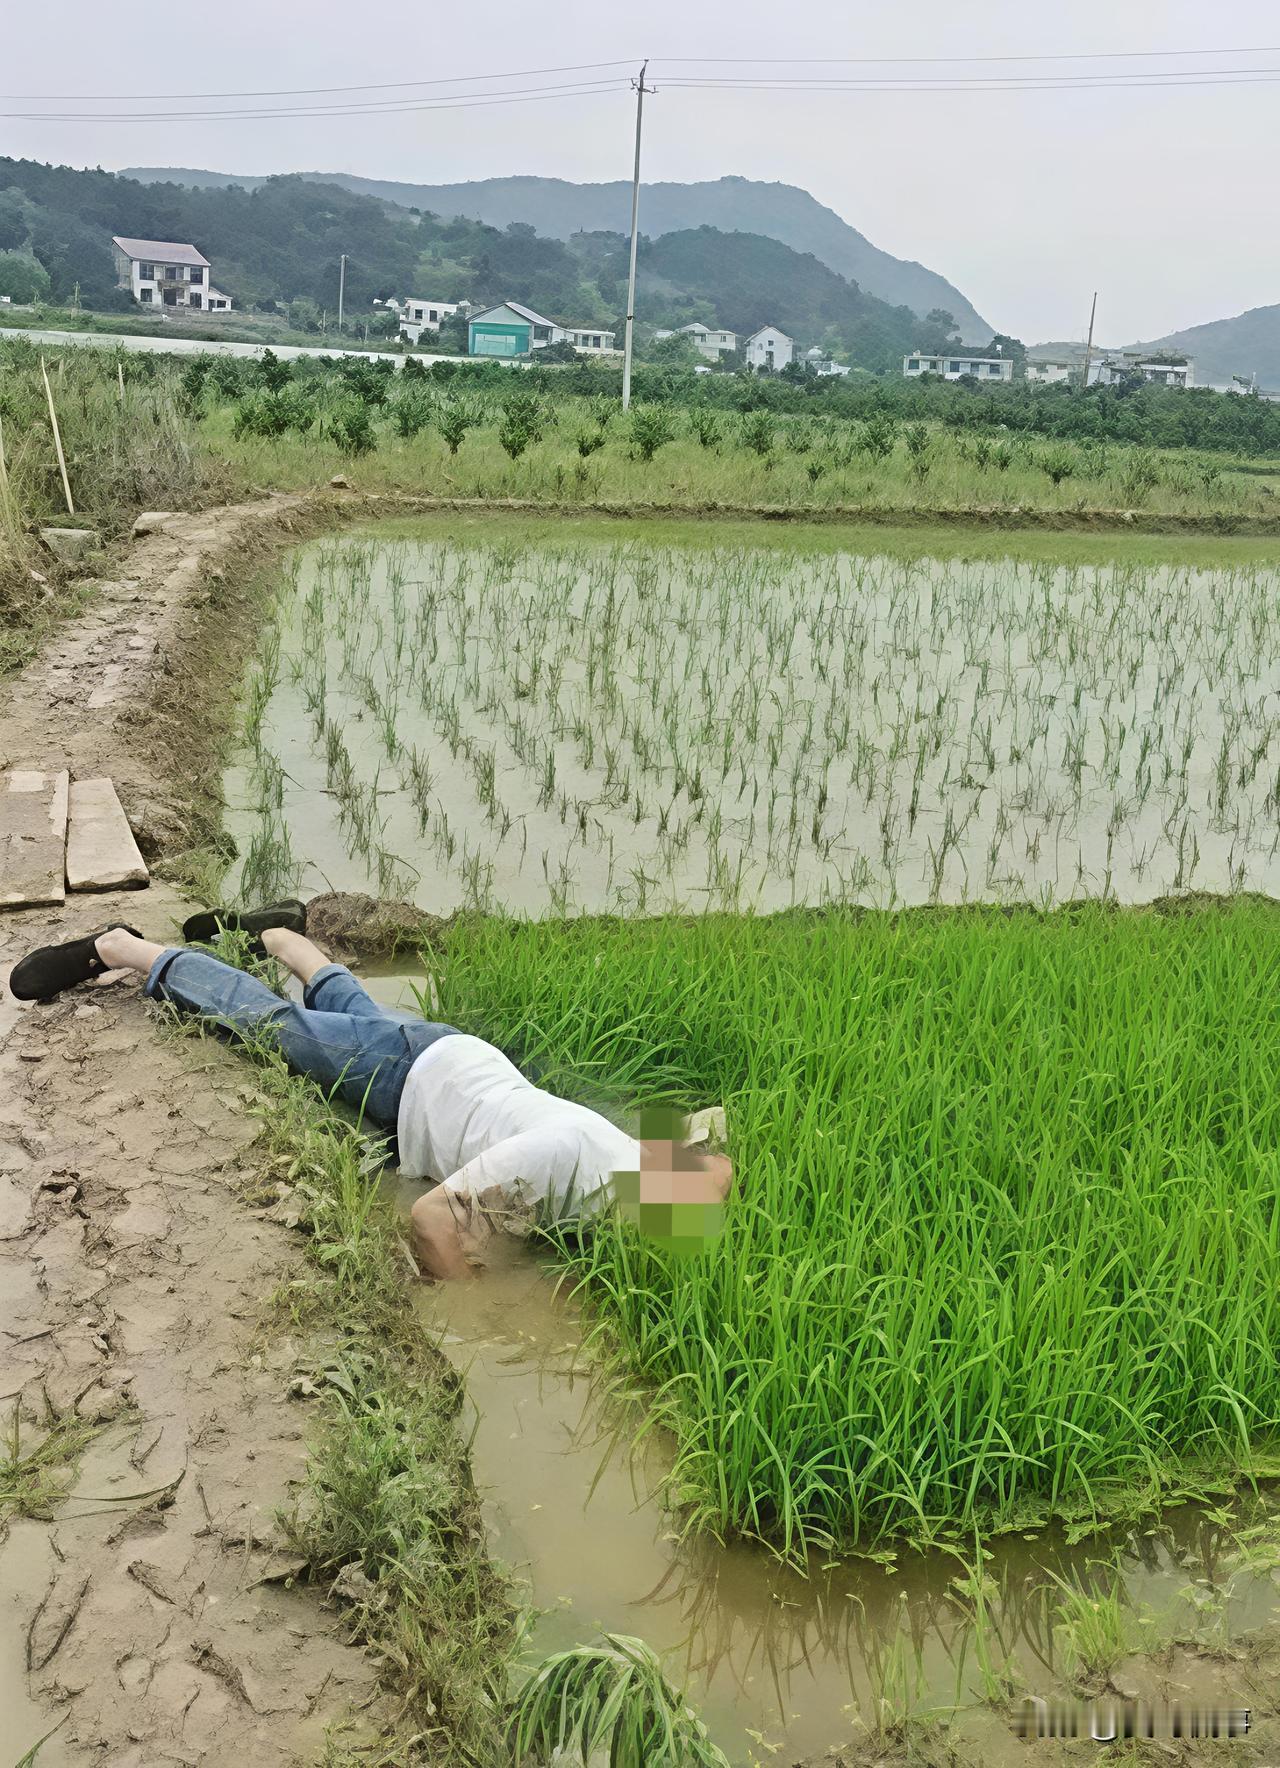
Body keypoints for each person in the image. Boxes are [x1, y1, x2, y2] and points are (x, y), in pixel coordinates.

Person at [6, 902, 732, 1279]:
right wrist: (473, 1303)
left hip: (449, 1058)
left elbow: (716, 1165)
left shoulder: (627, 1162)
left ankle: (279, 937)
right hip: (408, 1078)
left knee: (352, 1010)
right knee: (272, 1024)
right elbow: (428, 1219)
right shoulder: (569, 1157)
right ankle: (120, 947)